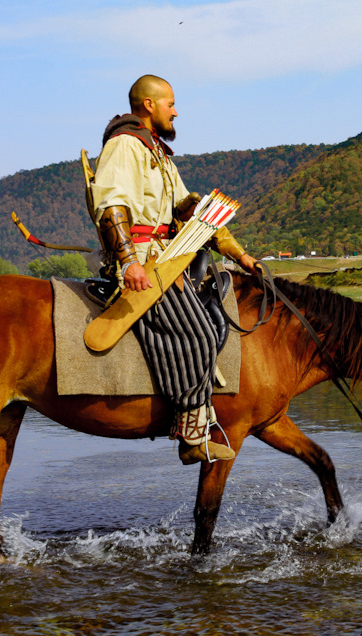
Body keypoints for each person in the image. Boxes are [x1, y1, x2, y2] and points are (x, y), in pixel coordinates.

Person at [90, 74, 258, 465]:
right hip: (144, 263)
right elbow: (112, 207)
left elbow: (188, 208)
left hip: (169, 257)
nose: (175, 111)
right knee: (198, 333)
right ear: (149, 105)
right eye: (170, 103)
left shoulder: (158, 153)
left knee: (211, 325)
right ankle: (190, 432)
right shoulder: (125, 146)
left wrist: (240, 255)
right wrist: (129, 262)